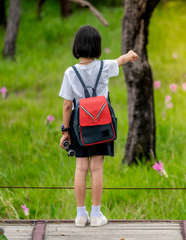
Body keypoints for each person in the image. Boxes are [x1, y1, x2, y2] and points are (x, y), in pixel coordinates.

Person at [58, 25, 138, 227]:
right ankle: (95, 215)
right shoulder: (104, 67)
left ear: (76, 46)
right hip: (101, 124)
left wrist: (65, 131)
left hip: (79, 126)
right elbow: (120, 61)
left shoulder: (70, 72)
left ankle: (80, 215)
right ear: (97, 46)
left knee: (80, 168)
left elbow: (67, 105)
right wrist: (129, 55)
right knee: (97, 168)